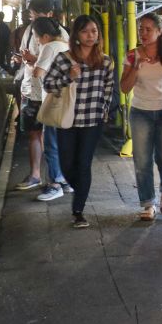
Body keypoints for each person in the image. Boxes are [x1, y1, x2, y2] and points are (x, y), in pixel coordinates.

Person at [43, 15, 115, 229]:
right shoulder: (64, 59)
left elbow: (109, 89)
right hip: (68, 120)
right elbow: (48, 84)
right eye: (85, 31)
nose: (90, 35)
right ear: (76, 35)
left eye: (94, 31)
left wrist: (104, 112)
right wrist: (69, 77)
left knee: (83, 164)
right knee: (67, 164)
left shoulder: (105, 61)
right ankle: (81, 190)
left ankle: (78, 210)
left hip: (93, 121)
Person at [119, 13, 162, 221]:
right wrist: (136, 67)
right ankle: (147, 203)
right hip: (141, 112)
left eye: (147, 29)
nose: (143, 33)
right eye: (140, 29)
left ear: (159, 30)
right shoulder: (132, 55)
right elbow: (124, 87)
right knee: (142, 160)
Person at [14, 0, 68, 191]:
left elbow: (59, 61)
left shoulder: (59, 34)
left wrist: (34, 59)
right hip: (31, 88)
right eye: (32, 15)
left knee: (53, 138)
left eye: (37, 14)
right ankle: (36, 175)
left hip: (50, 93)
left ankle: (57, 178)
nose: (33, 18)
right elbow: (24, 54)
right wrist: (22, 59)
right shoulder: (29, 30)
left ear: (49, 14)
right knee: (34, 132)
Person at [31, 17, 74, 201]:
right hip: (68, 100)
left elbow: (38, 72)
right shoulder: (66, 44)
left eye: (37, 37)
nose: (37, 40)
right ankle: (65, 181)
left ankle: (55, 184)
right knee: (64, 143)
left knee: (51, 144)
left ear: (46, 35)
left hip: (52, 99)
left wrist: (31, 63)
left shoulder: (49, 47)